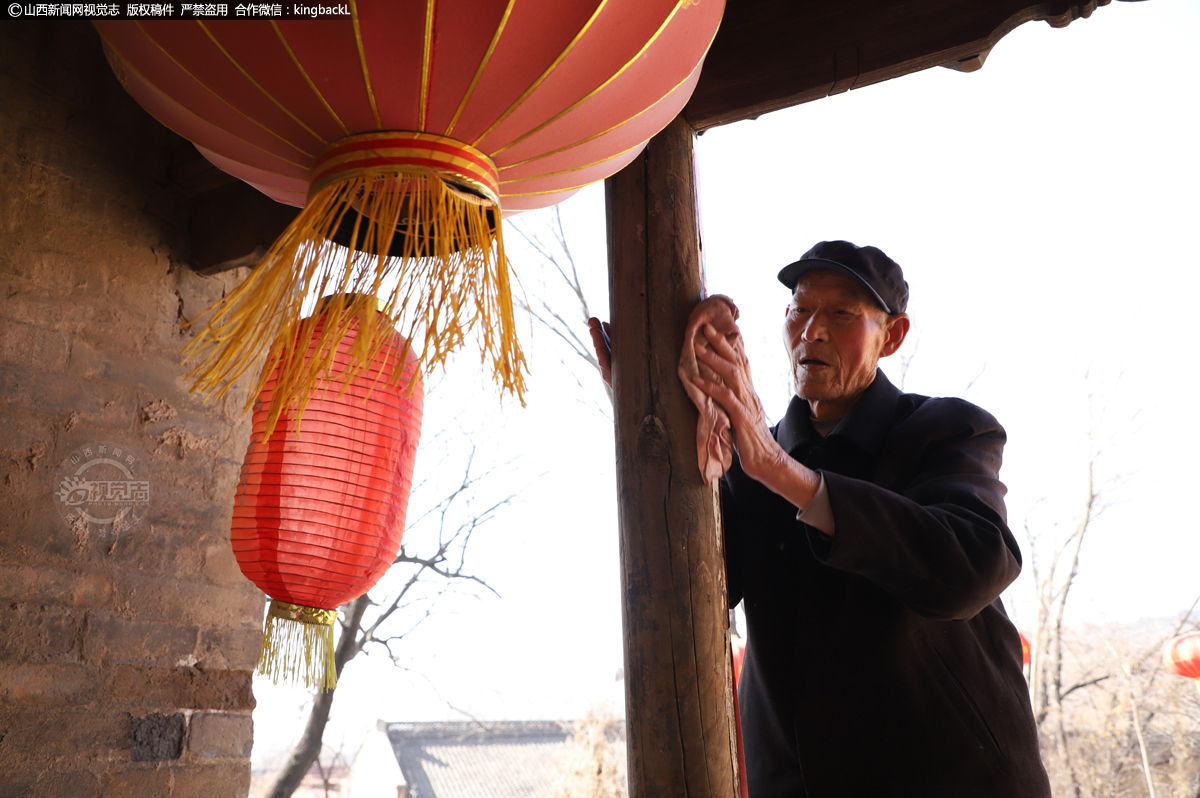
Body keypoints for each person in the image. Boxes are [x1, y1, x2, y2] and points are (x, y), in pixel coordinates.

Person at [590, 240, 1050, 797]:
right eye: (800, 311)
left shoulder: (946, 430)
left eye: (842, 314)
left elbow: (971, 569)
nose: (813, 331)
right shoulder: (759, 450)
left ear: (893, 336)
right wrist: (649, 412)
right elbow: (700, 586)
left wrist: (779, 469)